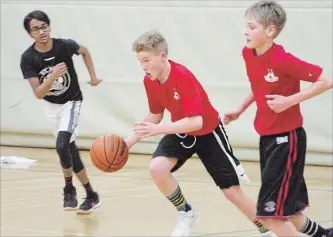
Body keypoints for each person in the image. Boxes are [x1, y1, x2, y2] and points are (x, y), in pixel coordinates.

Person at [124, 30, 274, 237]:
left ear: (163, 56)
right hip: (182, 130)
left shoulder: (182, 76)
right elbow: (155, 114)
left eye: (146, 60)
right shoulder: (149, 80)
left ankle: (267, 229)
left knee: (232, 192)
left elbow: (197, 121)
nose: (143, 66)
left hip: (208, 131)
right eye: (140, 61)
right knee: (157, 168)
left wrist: (158, 130)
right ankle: (187, 212)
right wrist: (127, 144)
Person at [223, 1, 333, 236]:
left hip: (288, 140)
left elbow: (326, 80)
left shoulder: (284, 59)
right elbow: (258, 84)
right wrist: (240, 109)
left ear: (270, 30)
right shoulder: (248, 53)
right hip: (268, 139)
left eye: (251, 27)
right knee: (290, 212)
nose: (245, 31)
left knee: (271, 217)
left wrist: (290, 100)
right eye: (246, 26)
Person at [20, 10, 102, 214]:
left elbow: (84, 51)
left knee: (61, 145)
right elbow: (39, 93)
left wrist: (93, 77)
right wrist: (53, 76)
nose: (41, 32)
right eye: (36, 29)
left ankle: (68, 188)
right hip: (51, 106)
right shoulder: (28, 58)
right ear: (30, 34)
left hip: (71, 102)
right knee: (69, 151)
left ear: (49, 26)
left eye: (44, 26)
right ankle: (91, 195)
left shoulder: (64, 45)